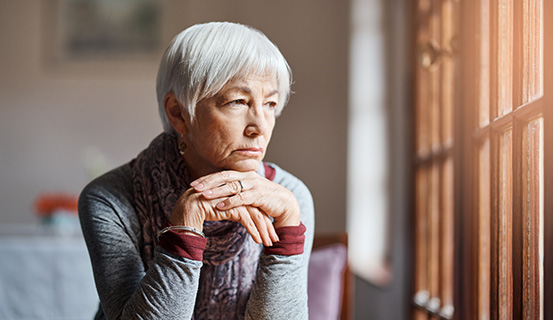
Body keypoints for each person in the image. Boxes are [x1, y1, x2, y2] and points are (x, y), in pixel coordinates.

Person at [79, 21, 314, 320]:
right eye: (238, 101)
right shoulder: (110, 199)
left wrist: (289, 230)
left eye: (270, 104)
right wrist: (184, 228)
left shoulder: (289, 198)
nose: (260, 127)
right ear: (179, 113)